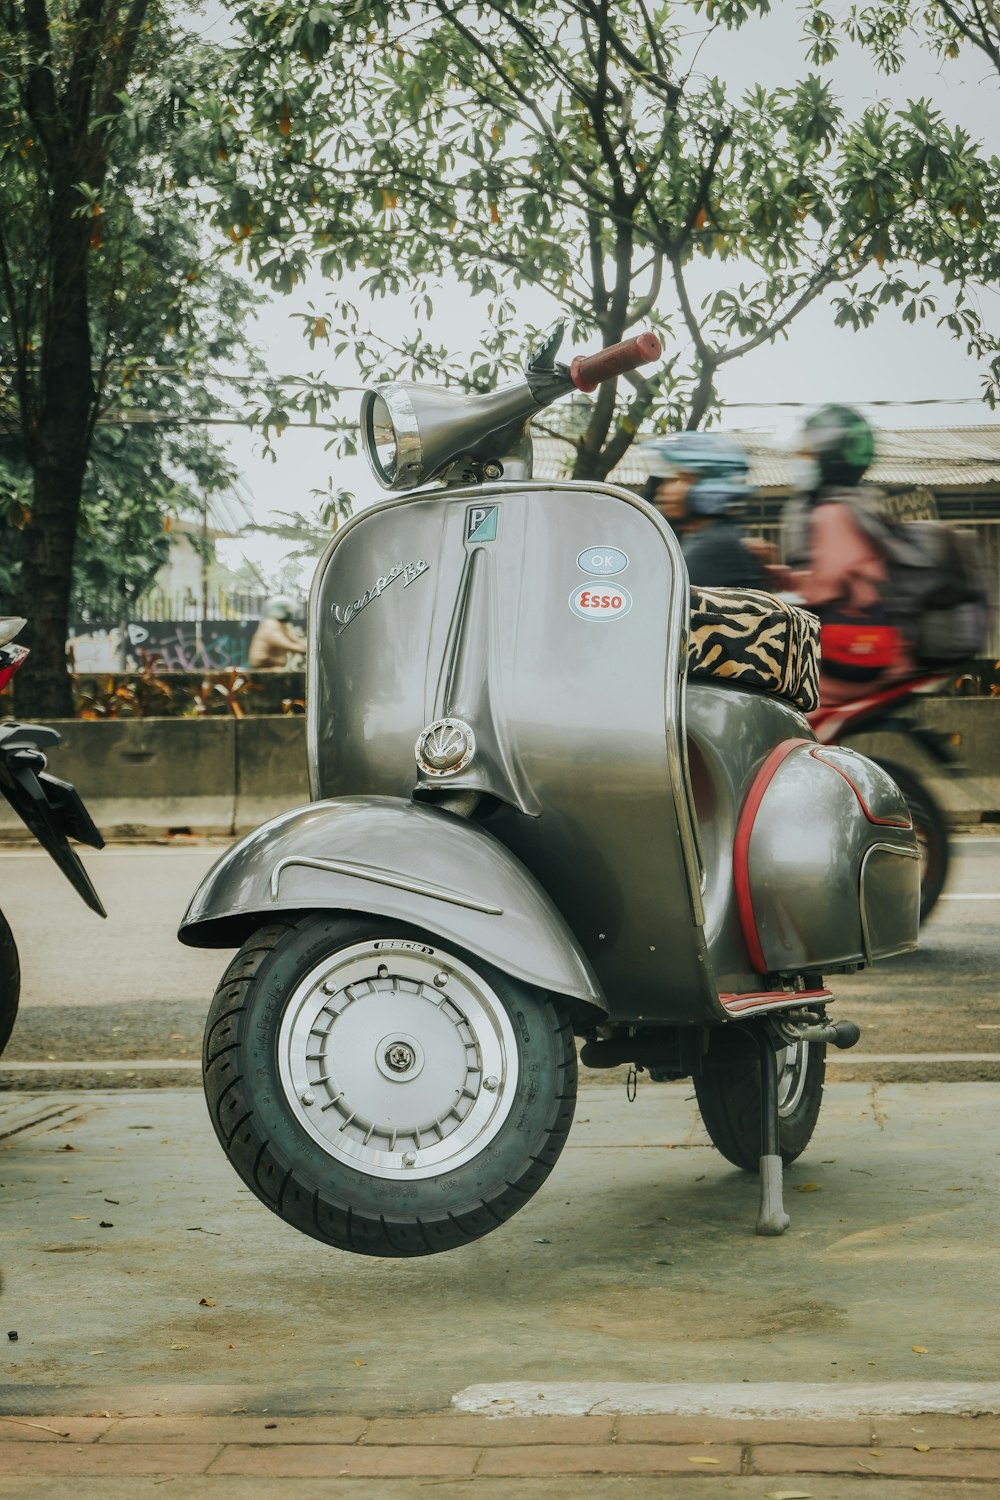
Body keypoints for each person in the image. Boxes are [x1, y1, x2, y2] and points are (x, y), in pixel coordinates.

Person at [764, 404, 915, 705]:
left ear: (828, 459)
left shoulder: (832, 513)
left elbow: (823, 588)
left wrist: (775, 587)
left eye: (806, 454)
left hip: (847, 665)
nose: (799, 461)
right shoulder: (858, 504)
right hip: (872, 651)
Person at [639, 432, 770, 589]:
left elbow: (659, 592)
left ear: (709, 485)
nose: (663, 489)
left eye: (678, 479)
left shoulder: (715, 545)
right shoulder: (709, 536)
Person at [248, 596, 307, 669]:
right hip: (264, 665)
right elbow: (284, 643)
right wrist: (302, 649)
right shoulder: (270, 625)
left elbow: (294, 639)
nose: (290, 613)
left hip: (274, 664)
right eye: (287, 610)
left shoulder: (282, 624)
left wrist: (307, 646)